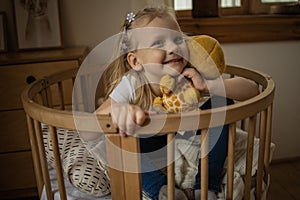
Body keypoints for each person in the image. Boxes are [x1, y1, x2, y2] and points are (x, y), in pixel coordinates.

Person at [95, 6, 259, 200]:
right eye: (158, 43)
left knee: (222, 101)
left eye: (178, 39)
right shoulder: (132, 83)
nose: (173, 48)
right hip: (151, 144)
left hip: (189, 132)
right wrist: (122, 110)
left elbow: (253, 89)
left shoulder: (190, 72)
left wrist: (208, 85)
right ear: (135, 62)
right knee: (120, 141)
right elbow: (98, 117)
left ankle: (206, 187)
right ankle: (163, 190)